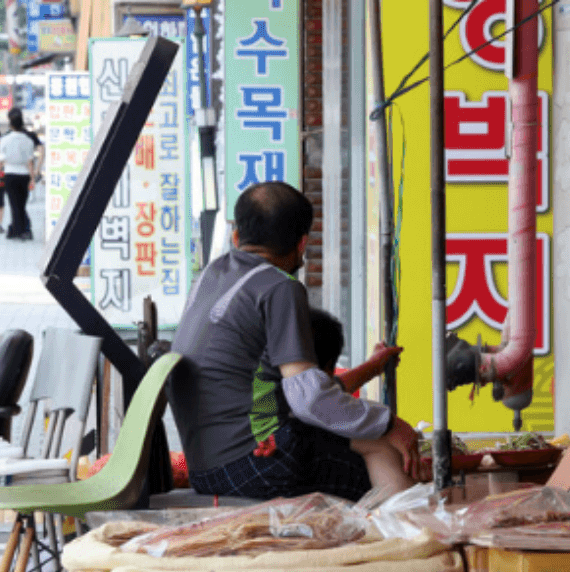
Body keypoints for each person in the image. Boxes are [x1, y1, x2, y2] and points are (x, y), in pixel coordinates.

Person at [171, 182, 421, 502]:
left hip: (204, 468)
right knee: (382, 448)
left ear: (236, 236)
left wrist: (371, 369)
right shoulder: (279, 287)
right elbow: (310, 400)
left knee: (354, 432)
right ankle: (413, 540)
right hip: (254, 465)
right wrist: (390, 424)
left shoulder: (210, 276)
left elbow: (301, 396)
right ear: (302, 243)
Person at [0, 109, 41, 242]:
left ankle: (18, 231)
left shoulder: (4, 139)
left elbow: (0, 159)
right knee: (21, 204)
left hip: (10, 174)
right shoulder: (28, 140)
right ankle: (21, 229)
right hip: (24, 175)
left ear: (10, 123)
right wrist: (32, 178)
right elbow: (30, 161)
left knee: (14, 203)